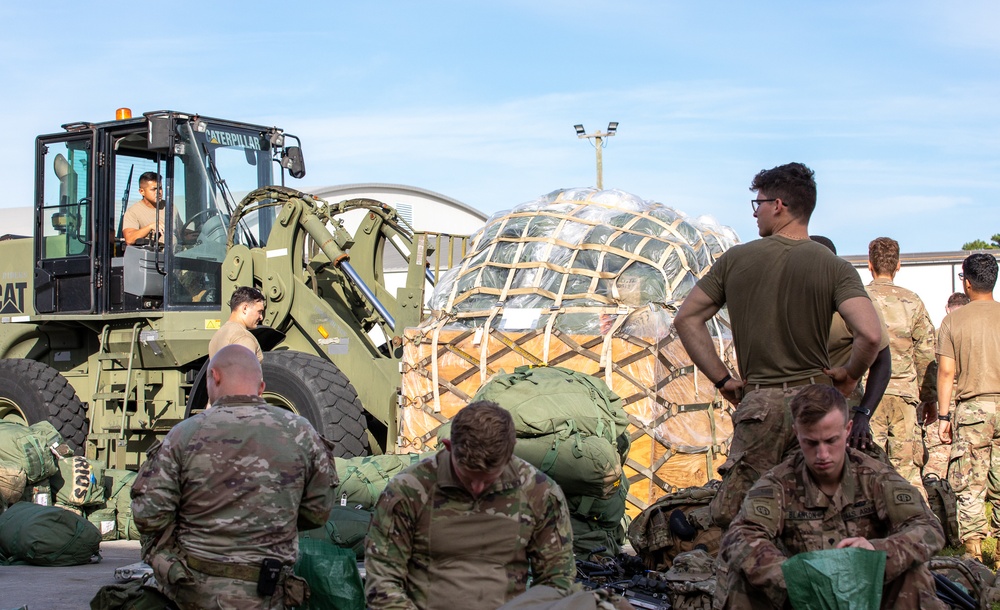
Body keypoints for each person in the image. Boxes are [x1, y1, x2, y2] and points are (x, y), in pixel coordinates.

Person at [674, 162, 882, 528]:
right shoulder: (833, 266)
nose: (756, 213)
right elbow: (870, 334)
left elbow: (686, 319)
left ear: (779, 204)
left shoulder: (736, 260)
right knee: (823, 512)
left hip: (760, 406)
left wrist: (723, 381)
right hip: (817, 404)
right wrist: (849, 376)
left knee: (744, 515)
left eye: (759, 204)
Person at [131, 345, 337, 609]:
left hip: (196, 593)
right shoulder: (301, 432)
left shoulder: (183, 435)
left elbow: (149, 516)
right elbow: (318, 513)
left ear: (214, 377)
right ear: (261, 387)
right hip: (271, 593)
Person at [716, 384, 946, 609]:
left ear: (847, 430)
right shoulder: (778, 482)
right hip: (804, 597)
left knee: (913, 573)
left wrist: (878, 553)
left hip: (868, 590)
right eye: (811, 443)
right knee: (742, 580)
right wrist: (793, 575)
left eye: (831, 440)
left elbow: (928, 528)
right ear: (797, 434)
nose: (822, 454)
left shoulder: (875, 476)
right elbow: (739, 536)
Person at [364, 400, 575, 610]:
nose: (477, 488)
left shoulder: (538, 492)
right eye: (467, 477)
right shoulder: (409, 490)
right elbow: (383, 581)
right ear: (448, 447)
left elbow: (557, 580)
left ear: (510, 454)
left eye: (489, 479)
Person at [937, 253, 1000, 560]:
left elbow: (947, 372)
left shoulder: (952, 321)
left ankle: (974, 553)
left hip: (973, 409)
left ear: (968, 281)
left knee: (970, 482)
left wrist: (943, 415)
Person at [865, 237, 937, 502]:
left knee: (867, 467)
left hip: (867, 396)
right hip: (904, 396)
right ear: (898, 266)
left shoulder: (858, 298)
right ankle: (920, 532)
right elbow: (926, 354)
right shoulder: (912, 301)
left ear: (870, 264)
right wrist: (929, 398)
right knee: (907, 469)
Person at [810, 235, 891, 454]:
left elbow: (882, 360)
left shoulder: (853, 300)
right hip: (800, 407)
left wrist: (863, 415)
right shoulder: (791, 297)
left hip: (841, 406)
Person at [209, 286, 266, 362]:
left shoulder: (218, 335)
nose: (261, 317)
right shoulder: (243, 337)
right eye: (259, 312)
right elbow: (244, 371)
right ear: (245, 308)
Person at [123, 172, 173, 245]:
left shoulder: (170, 207)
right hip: (155, 254)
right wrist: (150, 227)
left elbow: (179, 231)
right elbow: (129, 239)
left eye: (160, 188)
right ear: (142, 191)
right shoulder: (133, 212)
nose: (158, 192)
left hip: (178, 253)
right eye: (154, 189)